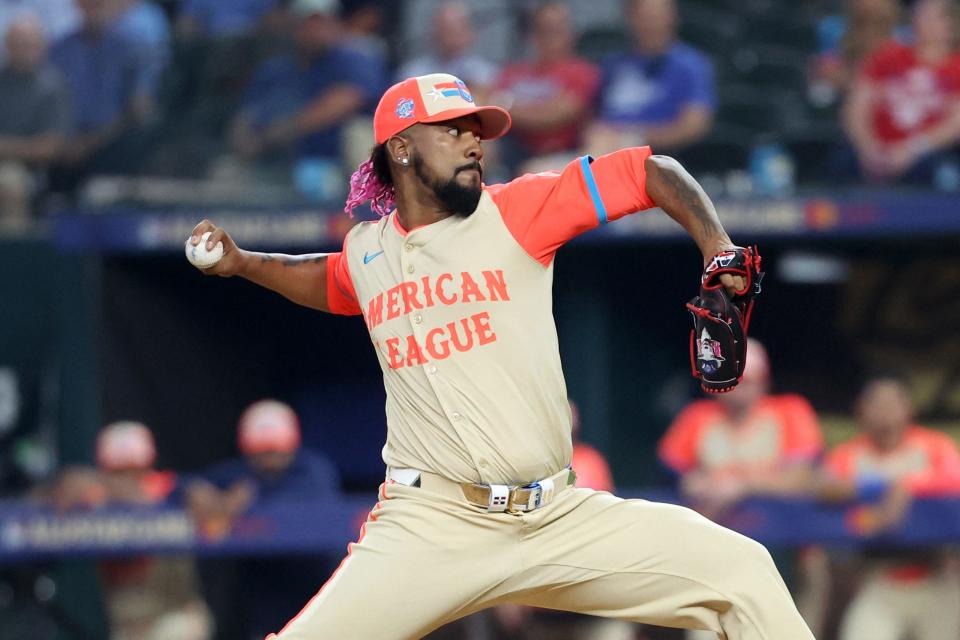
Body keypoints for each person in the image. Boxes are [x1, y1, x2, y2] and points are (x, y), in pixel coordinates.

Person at [187, 72, 814, 639]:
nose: (473, 143)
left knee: (743, 572)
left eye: (476, 131)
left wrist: (718, 247)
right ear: (401, 148)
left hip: (558, 517)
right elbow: (328, 281)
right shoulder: (367, 252)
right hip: (432, 525)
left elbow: (652, 171)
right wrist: (245, 264)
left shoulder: (517, 209)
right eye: (453, 129)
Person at [818, 375, 960, 640]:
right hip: (875, 579)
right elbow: (826, 488)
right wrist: (875, 490)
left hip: (936, 577)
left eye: (892, 403)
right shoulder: (848, 455)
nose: (885, 411)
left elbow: (955, 479)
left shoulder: (934, 446)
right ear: (861, 409)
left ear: (909, 408)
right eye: (876, 403)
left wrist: (908, 485)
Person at [186, 399, 341, 640]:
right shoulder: (240, 472)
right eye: (262, 452)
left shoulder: (313, 469)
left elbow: (302, 501)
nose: (269, 459)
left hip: (316, 583)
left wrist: (249, 497)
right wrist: (196, 491)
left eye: (276, 451)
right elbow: (186, 485)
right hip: (265, 593)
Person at [224, 0, 384, 198]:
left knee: (358, 133)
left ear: (334, 24)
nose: (315, 30)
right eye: (308, 23)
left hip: (338, 162)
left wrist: (284, 130)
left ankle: (371, 212)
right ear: (294, 26)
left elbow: (347, 99)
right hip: (281, 161)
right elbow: (246, 115)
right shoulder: (276, 69)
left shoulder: (353, 58)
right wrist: (248, 141)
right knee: (226, 171)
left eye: (322, 22)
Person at [659, 340, 823, 519]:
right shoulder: (697, 416)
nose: (736, 387)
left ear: (764, 381)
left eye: (746, 380)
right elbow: (675, 479)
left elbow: (802, 480)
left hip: (782, 528)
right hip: (714, 526)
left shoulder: (790, 411)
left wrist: (742, 485)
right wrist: (693, 483)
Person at [95, 421, 213, 640]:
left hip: (175, 616)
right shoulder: (96, 496)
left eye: (136, 472)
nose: (128, 481)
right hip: (126, 623)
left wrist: (201, 495)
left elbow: (198, 491)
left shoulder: (170, 489)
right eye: (119, 473)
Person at [842, 0, 960, 186]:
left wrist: (910, 150)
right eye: (922, 15)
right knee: (839, 166)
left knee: (946, 177)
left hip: (928, 154)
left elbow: (955, 124)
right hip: (873, 151)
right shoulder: (887, 55)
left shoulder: (956, 67)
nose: (924, 22)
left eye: (934, 17)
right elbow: (857, 107)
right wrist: (868, 148)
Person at [48, 0, 158, 193]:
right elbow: (51, 99)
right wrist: (64, 140)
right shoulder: (60, 49)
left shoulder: (131, 49)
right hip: (63, 141)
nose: (93, 10)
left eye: (98, 4)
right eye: (87, 4)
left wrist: (92, 142)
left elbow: (137, 107)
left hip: (112, 142)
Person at [585, 0, 715, 157]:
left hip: (656, 156)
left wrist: (637, 137)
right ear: (630, 19)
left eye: (658, 17)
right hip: (603, 147)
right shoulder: (613, 64)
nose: (652, 24)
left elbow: (695, 125)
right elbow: (591, 116)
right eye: (645, 17)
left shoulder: (691, 64)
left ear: (673, 18)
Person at [493, 3, 600, 174]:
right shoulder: (514, 71)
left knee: (531, 171)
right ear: (533, 35)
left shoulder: (583, 72)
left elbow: (554, 117)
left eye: (556, 30)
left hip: (556, 153)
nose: (549, 37)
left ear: (571, 34)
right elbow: (485, 102)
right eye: (543, 30)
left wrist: (506, 107)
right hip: (508, 147)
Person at [0, 15, 68, 227]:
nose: (23, 50)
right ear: (7, 46)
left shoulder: (53, 88)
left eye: (28, 45)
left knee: (9, 184)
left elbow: (48, 148)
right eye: (17, 44)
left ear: (42, 47)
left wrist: (4, 148)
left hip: (29, 173)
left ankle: (11, 257)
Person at [808, 0, 903, 106]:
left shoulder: (904, 37)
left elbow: (904, 82)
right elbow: (827, 72)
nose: (870, 5)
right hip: (840, 103)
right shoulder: (831, 28)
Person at [396, 2, 498, 99]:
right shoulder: (413, 74)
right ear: (433, 32)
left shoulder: (486, 75)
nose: (450, 34)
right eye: (444, 27)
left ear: (471, 33)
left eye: (457, 27)